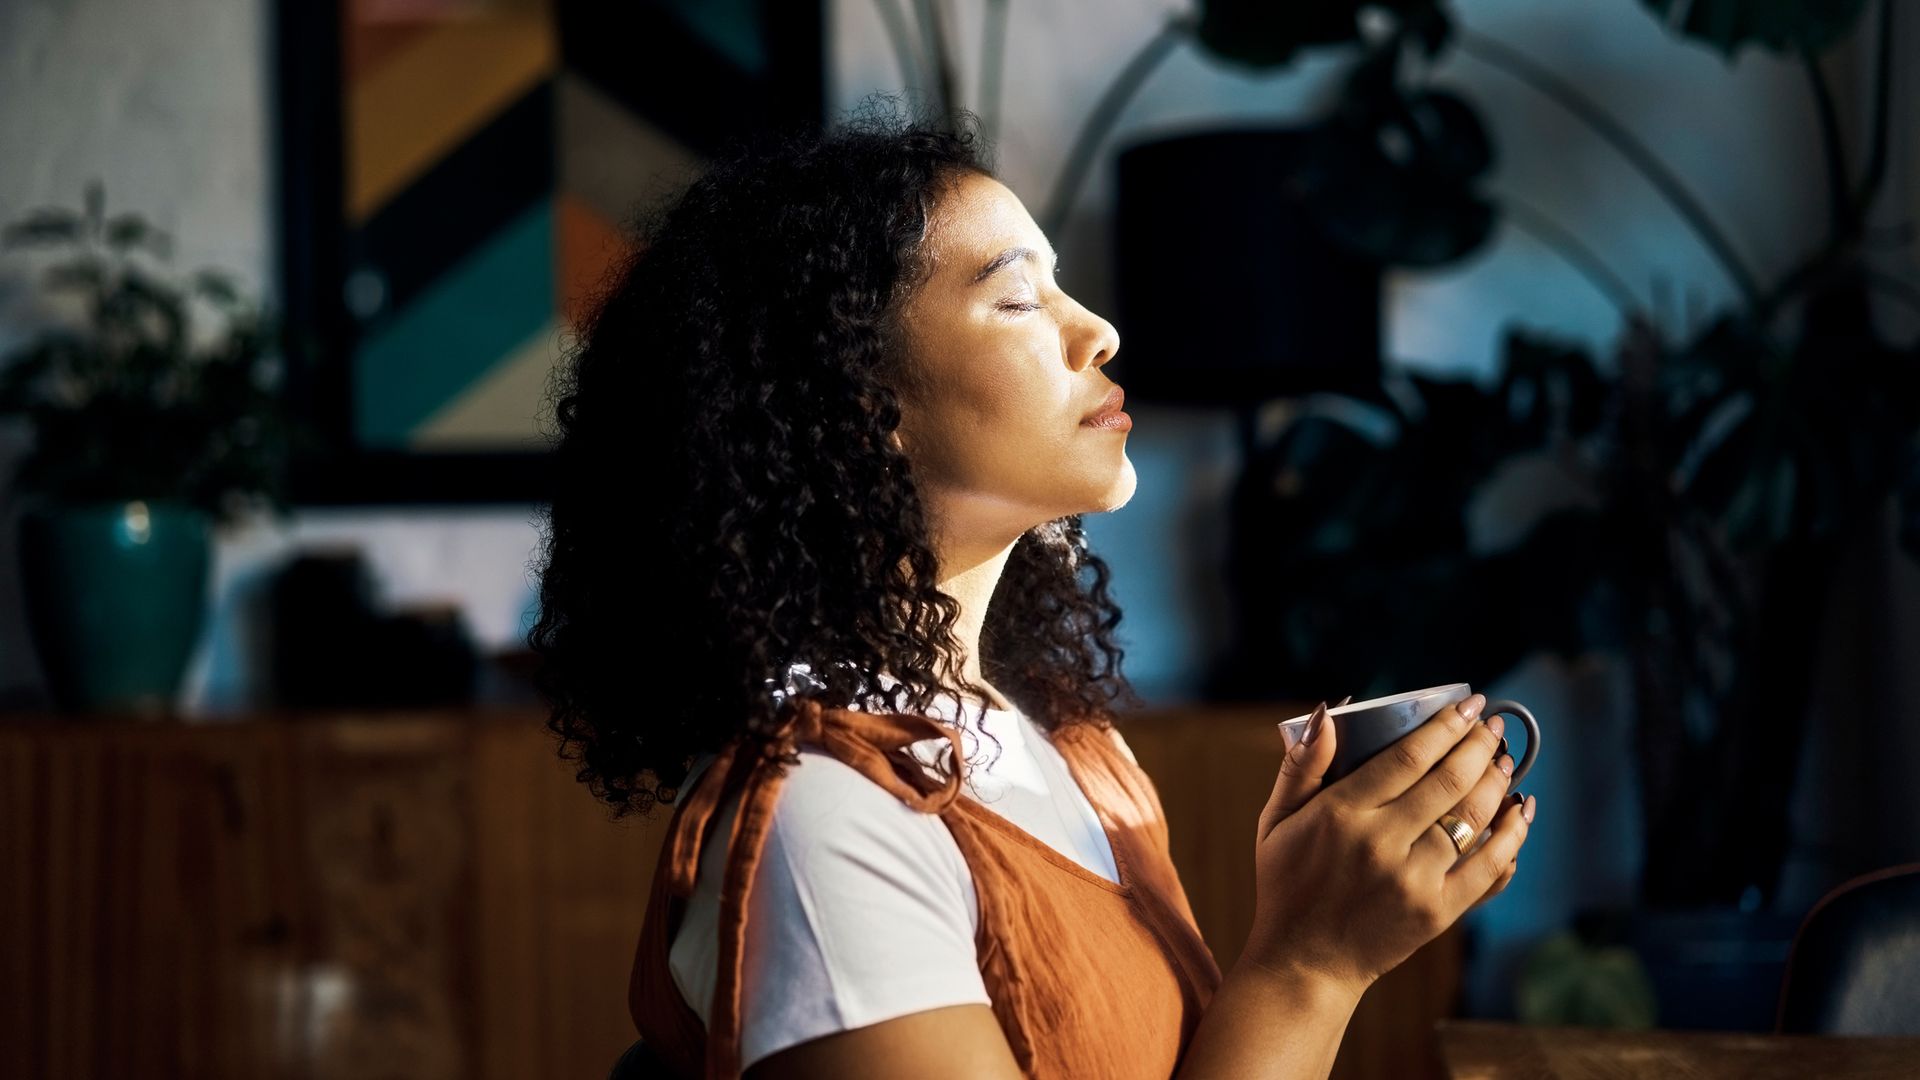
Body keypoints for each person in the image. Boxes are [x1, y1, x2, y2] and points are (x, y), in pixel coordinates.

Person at [526, 98, 1535, 1080]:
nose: (1097, 331)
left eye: (1066, 289)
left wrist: (1319, 927)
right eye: (1018, 299)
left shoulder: (1073, 751)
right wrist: (1311, 965)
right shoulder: (824, 828)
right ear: (858, 398)